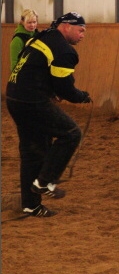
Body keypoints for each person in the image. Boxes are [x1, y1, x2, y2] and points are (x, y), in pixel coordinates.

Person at [6, 12, 92, 218]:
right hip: (32, 100)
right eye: (80, 30)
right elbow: (66, 90)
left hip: (14, 97)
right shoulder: (64, 50)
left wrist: (52, 90)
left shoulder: (42, 37)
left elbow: (35, 68)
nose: (82, 35)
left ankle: (31, 205)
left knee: (32, 152)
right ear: (66, 26)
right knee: (71, 133)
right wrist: (82, 96)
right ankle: (45, 182)